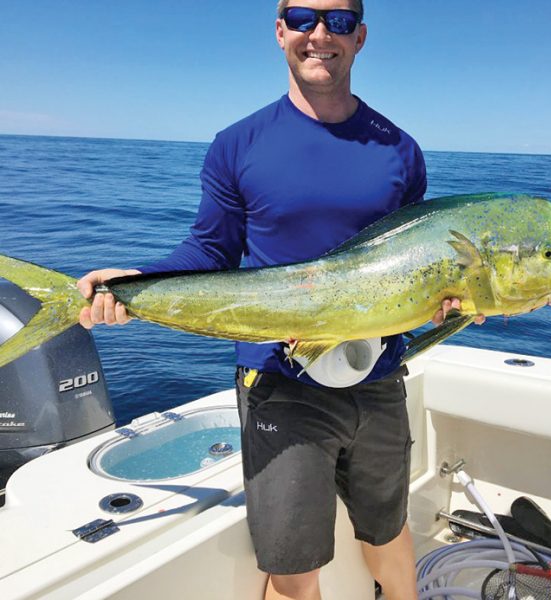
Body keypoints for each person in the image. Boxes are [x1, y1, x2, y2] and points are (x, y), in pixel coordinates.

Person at [78, 2, 481, 598]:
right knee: (293, 571)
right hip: (280, 382)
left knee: (388, 531)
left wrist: (453, 299)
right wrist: (137, 282)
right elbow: (210, 249)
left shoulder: (401, 149)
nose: (320, 34)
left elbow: (414, 265)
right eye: (302, 18)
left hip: (378, 377)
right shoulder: (238, 144)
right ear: (280, 31)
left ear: (361, 36)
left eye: (339, 21)